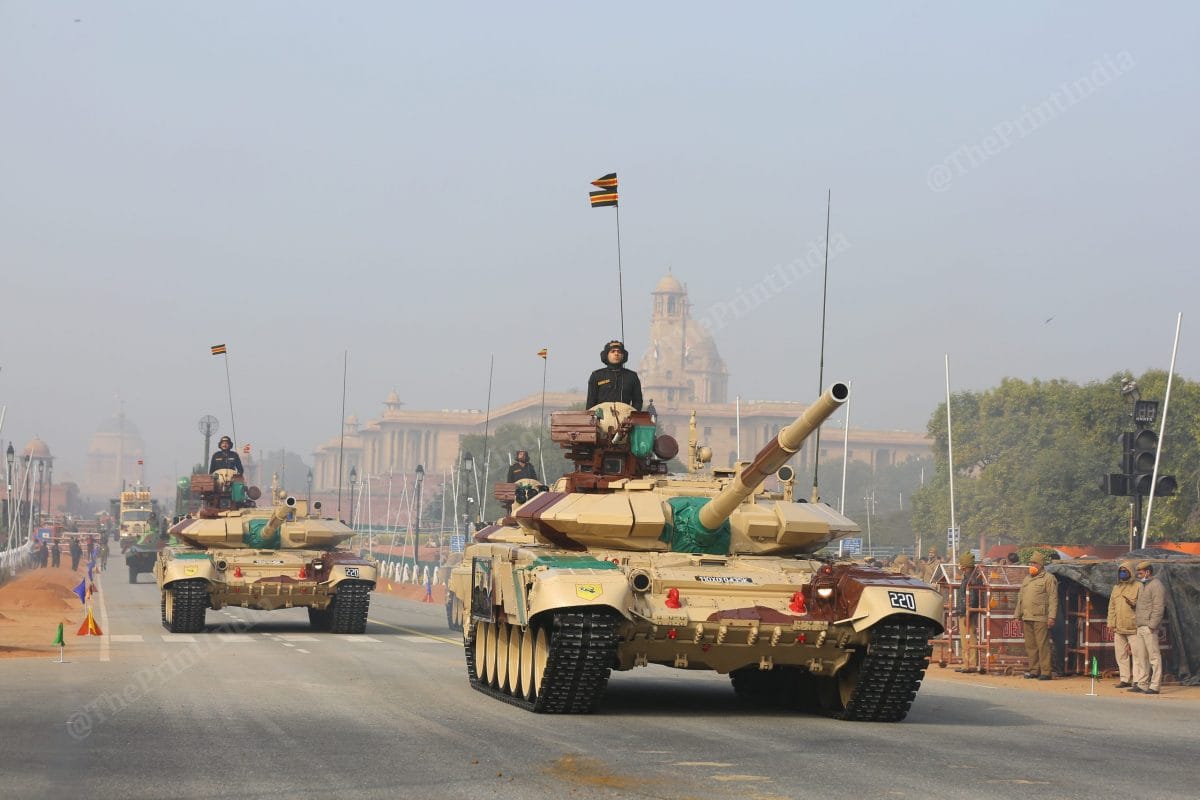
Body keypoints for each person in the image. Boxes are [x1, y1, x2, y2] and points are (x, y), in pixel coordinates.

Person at [1015, 551, 1058, 680]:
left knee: (1042, 645)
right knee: (1031, 646)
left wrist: (1052, 617)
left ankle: (1046, 672)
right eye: (1031, 563)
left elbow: (1053, 598)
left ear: (1040, 564)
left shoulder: (1049, 578)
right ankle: (1034, 670)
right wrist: (1017, 615)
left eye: (1034, 563)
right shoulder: (1027, 578)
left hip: (1041, 617)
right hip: (1027, 617)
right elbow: (1021, 598)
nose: (1032, 565)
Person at [1129, 560, 1166, 695]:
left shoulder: (1157, 585)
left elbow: (1158, 607)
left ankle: (1155, 686)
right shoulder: (1143, 585)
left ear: (1148, 572)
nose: (1138, 575)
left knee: (1154, 657)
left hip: (1149, 627)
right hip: (1140, 626)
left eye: (1140, 573)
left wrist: (1152, 625)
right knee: (1141, 656)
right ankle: (1142, 684)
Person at [1107, 560, 1141, 688]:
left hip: (1134, 627)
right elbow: (1112, 607)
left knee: (1137, 655)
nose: (1122, 573)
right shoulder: (1116, 588)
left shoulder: (1138, 586)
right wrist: (1111, 624)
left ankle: (1137, 680)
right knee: (1121, 655)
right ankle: (1124, 679)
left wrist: (1133, 604)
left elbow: (1143, 605)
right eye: (1121, 571)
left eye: (1125, 571)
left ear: (1131, 572)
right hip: (1119, 627)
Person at [586, 340, 643, 410]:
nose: (616, 354)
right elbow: (590, 404)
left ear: (623, 355)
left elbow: (638, 402)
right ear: (606, 355)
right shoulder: (596, 376)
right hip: (602, 416)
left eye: (619, 352)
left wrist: (632, 414)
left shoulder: (632, 376)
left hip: (625, 415)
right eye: (612, 351)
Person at [954, 550, 984, 673]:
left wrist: (968, 613)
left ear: (965, 565)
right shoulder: (968, 576)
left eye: (961, 564)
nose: (960, 566)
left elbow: (972, 598)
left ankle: (971, 664)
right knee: (964, 638)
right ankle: (966, 663)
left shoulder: (972, 578)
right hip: (964, 612)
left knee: (970, 637)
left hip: (968, 613)